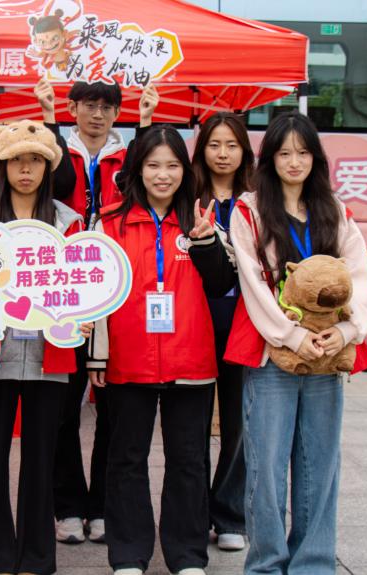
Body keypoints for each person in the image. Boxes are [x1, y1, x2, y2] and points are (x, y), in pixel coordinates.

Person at [226, 111, 367, 574]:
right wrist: (291, 335)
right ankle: (267, 564)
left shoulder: (335, 209)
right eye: (285, 153)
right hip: (273, 355)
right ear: (269, 158)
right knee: (266, 467)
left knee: (320, 464)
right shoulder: (250, 211)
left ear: (316, 158)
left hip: (328, 352)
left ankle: (313, 563)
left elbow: (359, 276)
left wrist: (346, 332)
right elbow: (252, 282)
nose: (295, 162)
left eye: (304, 152)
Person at [87, 125, 235, 575]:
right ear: (138, 169)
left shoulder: (201, 220)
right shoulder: (108, 223)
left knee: (188, 459)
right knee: (125, 458)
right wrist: (97, 354)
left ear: (184, 171)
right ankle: (128, 554)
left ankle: (187, 555)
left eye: (172, 165)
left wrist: (206, 242)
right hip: (127, 358)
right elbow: (94, 295)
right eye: (153, 165)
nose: (163, 175)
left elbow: (222, 284)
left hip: (191, 358)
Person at [0, 118, 89, 575]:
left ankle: (36, 556)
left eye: (34, 160)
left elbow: (83, 285)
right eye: (16, 161)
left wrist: (83, 314)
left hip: (51, 353)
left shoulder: (69, 222)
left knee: (42, 458)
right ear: (2, 166)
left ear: (48, 167)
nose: (26, 170)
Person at [35, 77, 160, 544]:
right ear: (72, 108)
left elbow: (144, 186)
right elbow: (54, 186)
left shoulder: (127, 155)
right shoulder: (57, 149)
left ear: (116, 113)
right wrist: (47, 116)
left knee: (114, 405)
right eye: (89, 105)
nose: (98, 114)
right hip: (65, 291)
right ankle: (68, 506)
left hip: (117, 289)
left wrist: (145, 122)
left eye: (107, 107)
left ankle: (104, 506)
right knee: (64, 405)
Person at [190, 112, 256, 552]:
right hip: (195, 319)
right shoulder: (187, 197)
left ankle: (230, 514)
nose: (223, 153)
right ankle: (194, 514)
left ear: (244, 151)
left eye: (232, 145)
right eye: (214, 144)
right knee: (192, 424)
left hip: (246, 322)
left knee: (240, 422)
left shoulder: (257, 200)